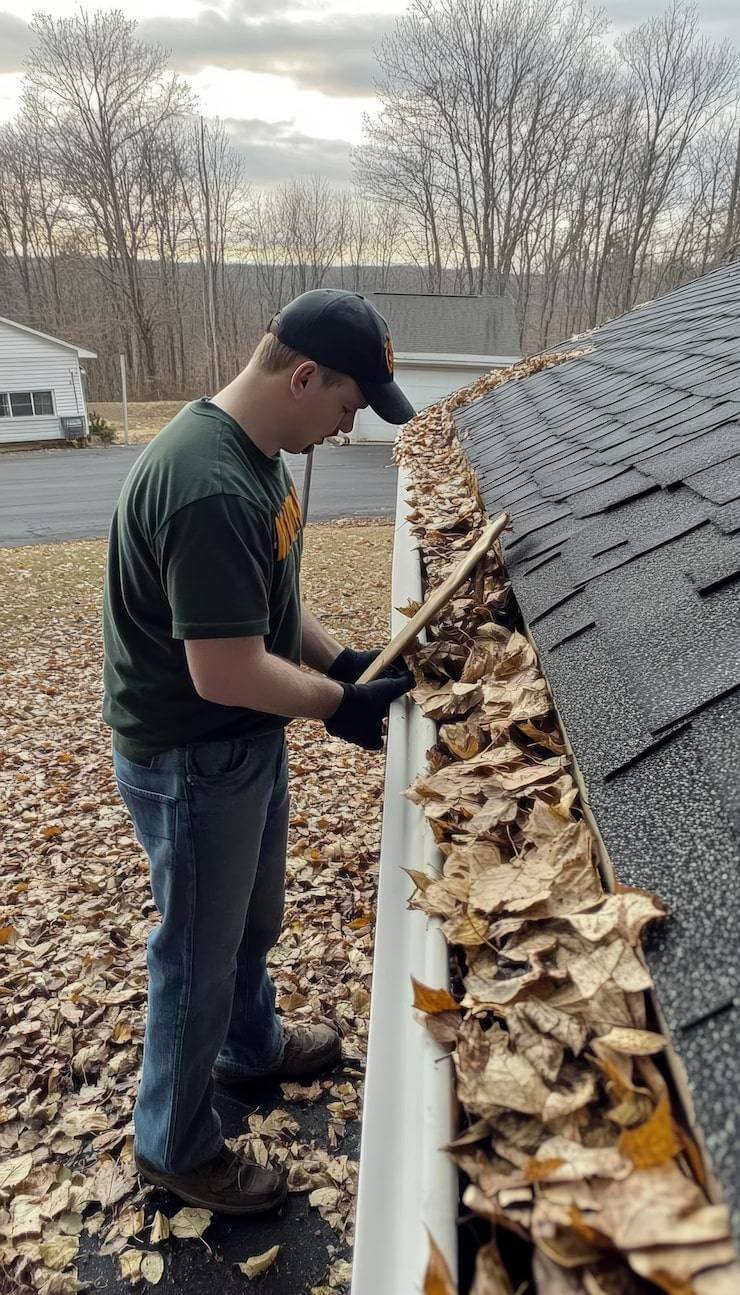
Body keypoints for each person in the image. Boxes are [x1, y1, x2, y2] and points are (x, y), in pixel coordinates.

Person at [102, 290, 415, 1215]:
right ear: (304, 375)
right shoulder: (208, 485)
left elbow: (268, 606)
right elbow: (225, 667)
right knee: (197, 951)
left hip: (240, 747)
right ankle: (173, 1143)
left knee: (250, 921)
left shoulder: (259, 457)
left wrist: (339, 659)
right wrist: (340, 705)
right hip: (193, 757)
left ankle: (249, 1046)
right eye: (349, 407)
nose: (348, 428)